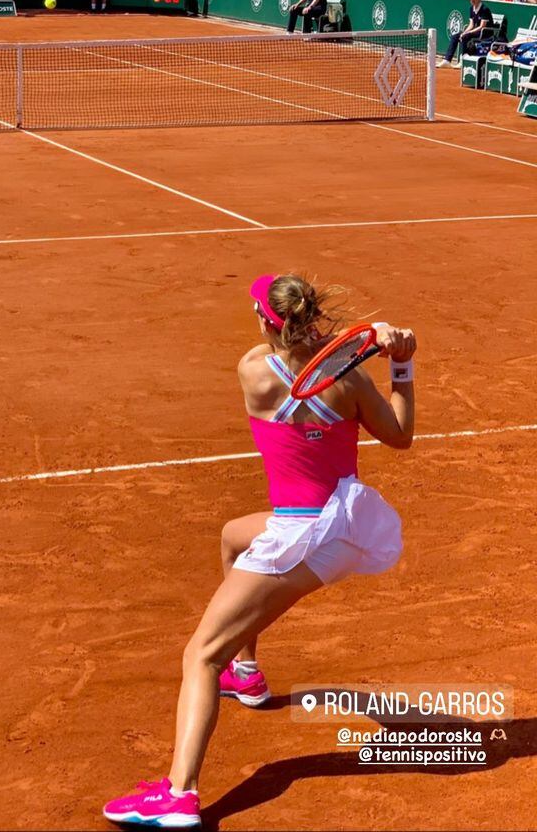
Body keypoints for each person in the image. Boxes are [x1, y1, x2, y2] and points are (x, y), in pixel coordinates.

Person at [103, 273, 414, 829]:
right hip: (343, 523)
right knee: (232, 534)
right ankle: (246, 671)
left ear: (267, 320)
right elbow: (400, 435)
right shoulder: (354, 382)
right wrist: (397, 360)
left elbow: (290, 355)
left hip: (299, 539)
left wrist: (352, 344)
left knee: (199, 655)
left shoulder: (252, 371)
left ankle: (178, 793)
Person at [438, 0, 495, 67]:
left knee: (465, 36)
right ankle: (447, 60)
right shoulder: (471, 8)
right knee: (455, 36)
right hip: (477, 31)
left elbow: (482, 26)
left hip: (485, 33)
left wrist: (467, 33)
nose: (472, 0)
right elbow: (471, 25)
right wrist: (464, 32)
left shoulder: (485, 9)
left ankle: (463, 61)